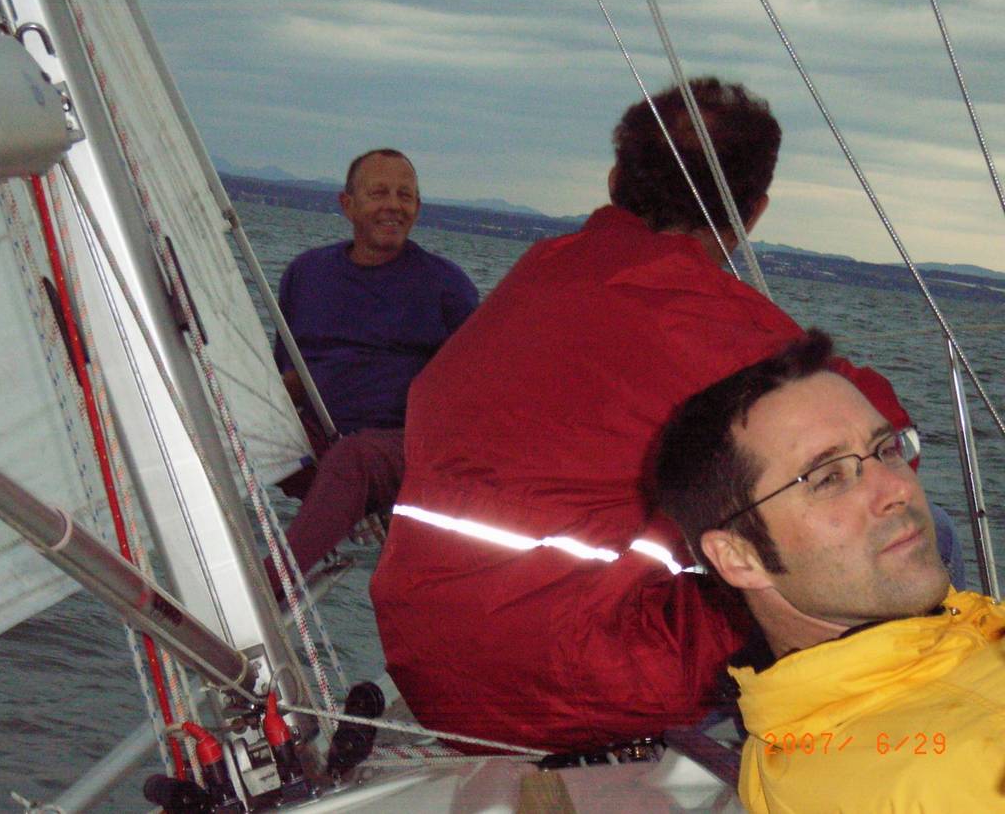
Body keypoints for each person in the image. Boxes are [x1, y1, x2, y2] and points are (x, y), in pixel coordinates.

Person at [370, 78, 961, 754]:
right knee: (914, 529)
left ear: (614, 181)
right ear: (752, 213)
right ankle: (891, 759)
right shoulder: (705, 316)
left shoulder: (535, 277)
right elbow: (879, 441)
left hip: (429, 669)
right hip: (577, 684)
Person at [654, 329, 1003, 812]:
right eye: (828, 478)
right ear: (739, 556)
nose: (898, 489)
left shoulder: (789, 743)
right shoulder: (954, 774)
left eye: (887, 450)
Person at [267, 149, 478, 588]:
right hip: (322, 441)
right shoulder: (307, 274)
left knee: (355, 458)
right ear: (347, 204)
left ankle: (271, 584)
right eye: (379, 193)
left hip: (400, 448)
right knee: (232, 420)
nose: (393, 205)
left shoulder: (446, 286)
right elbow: (289, 376)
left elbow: (474, 396)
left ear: (418, 208)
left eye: (405, 195)